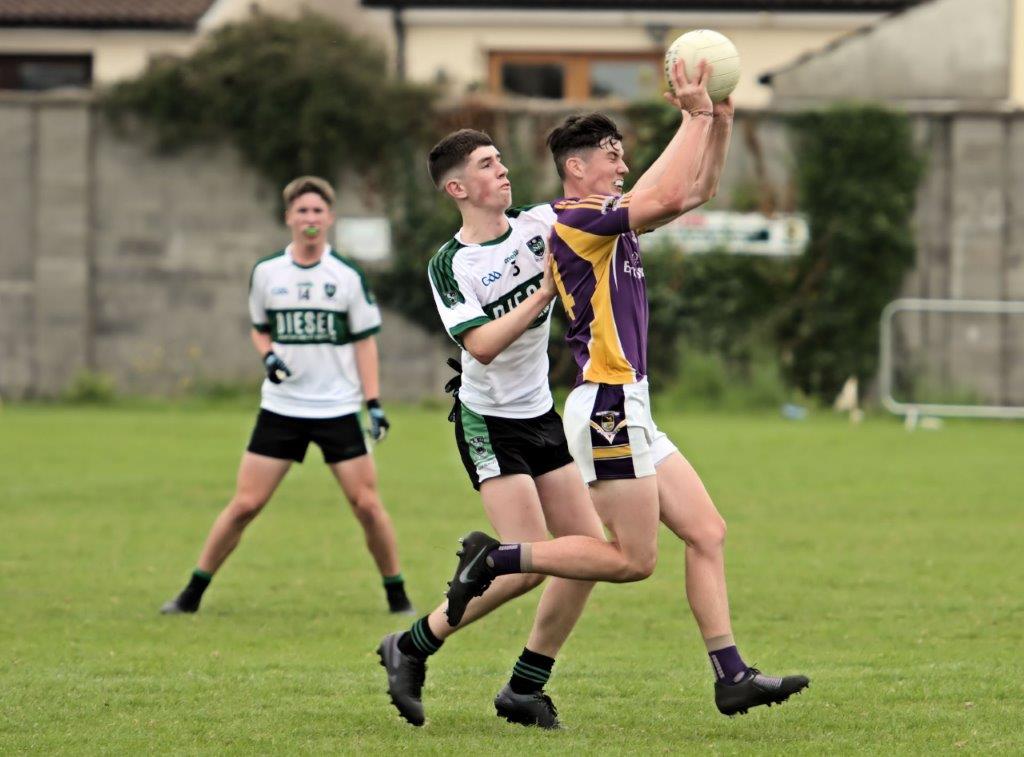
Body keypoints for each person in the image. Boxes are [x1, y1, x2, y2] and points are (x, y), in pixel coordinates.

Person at [444, 60, 810, 717]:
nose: (622, 165)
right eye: (611, 156)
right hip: (607, 400)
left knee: (707, 530)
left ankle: (731, 675)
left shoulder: (611, 217)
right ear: (576, 168)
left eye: (622, 156)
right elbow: (666, 195)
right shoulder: (577, 217)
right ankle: (498, 558)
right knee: (633, 559)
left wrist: (718, 121)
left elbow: (693, 192)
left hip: (628, 401)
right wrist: (693, 116)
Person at [377, 127, 611, 730]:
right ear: (458, 188)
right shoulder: (449, 264)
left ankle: (524, 687)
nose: (503, 170)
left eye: (501, 160)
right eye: (487, 164)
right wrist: (542, 292)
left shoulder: (539, 224)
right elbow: (479, 345)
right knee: (532, 566)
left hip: (540, 414)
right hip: (488, 422)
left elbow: (620, 207)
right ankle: (412, 644)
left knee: (588, 556)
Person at [160, 176, 413, 616]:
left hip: (336, 408)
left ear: (329, 218)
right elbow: (261, 329)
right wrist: (269, 356)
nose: (310, 219)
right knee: (245, 505)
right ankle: (191, 595)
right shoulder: (267, 273)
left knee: (367, 506)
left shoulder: (347, 276)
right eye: (302, 211)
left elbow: (364, 343)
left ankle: (397, 597)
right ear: (289, 218)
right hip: (283, 408)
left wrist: (372, 403)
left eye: (318, 211)